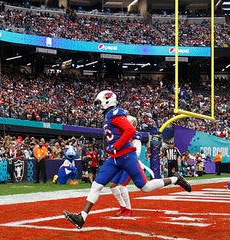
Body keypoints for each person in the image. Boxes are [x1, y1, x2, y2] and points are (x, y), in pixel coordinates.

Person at [63, 90, 191, 229]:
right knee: (96, 185)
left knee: (145, 187)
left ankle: (175, 179)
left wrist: (116, 146)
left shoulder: (114, 113)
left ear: (107, 101)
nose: (98, 107)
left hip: (126, 155)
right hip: (115, 157)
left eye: (99, 103)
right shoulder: (108, 117)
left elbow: (130, 130)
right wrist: (113, 148)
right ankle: (82, 217)